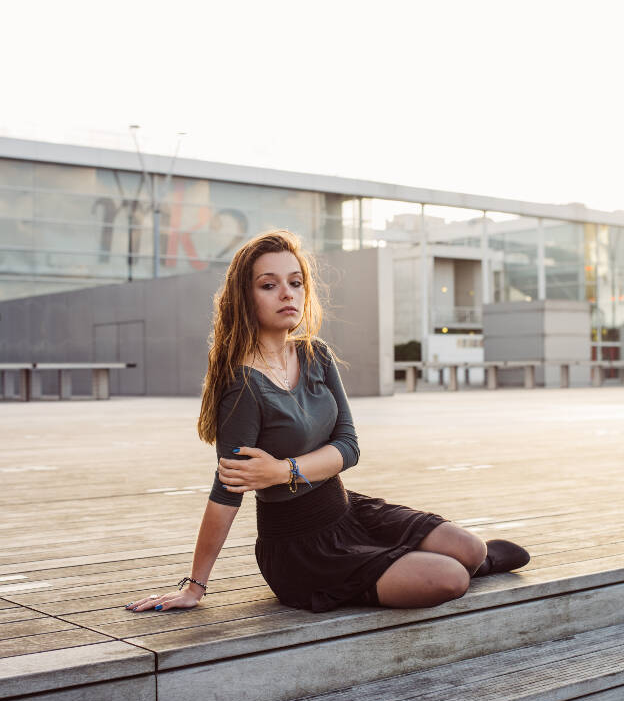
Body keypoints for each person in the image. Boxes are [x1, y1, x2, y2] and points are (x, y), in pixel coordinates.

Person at [124, 230, 529, 615]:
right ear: (244, 298)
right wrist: (194, 585)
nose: (287, 293)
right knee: (449, 578)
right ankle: (406, 568)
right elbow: (227, 492)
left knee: (471, 549)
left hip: (348, 509)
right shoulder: (242, 385)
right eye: (269, 285)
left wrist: (284, 470)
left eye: (296, 282)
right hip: (300, 547)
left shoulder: (316, 354)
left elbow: (349, 446)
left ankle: (458, 561)